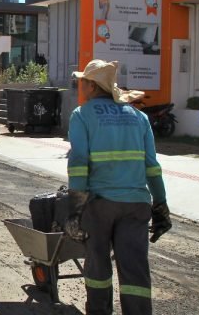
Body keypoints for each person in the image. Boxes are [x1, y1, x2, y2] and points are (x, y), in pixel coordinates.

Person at [65, 59, 171, 314]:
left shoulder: (82, 115)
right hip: (136, 205)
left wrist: (75, 208)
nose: (80, 86)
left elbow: (78, 163)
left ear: (92, 86)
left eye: (83, 82)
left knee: (98, 266)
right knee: (135, 269)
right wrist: (160, 204)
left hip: (99, 205)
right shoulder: (139, 117)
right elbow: (152, 166)